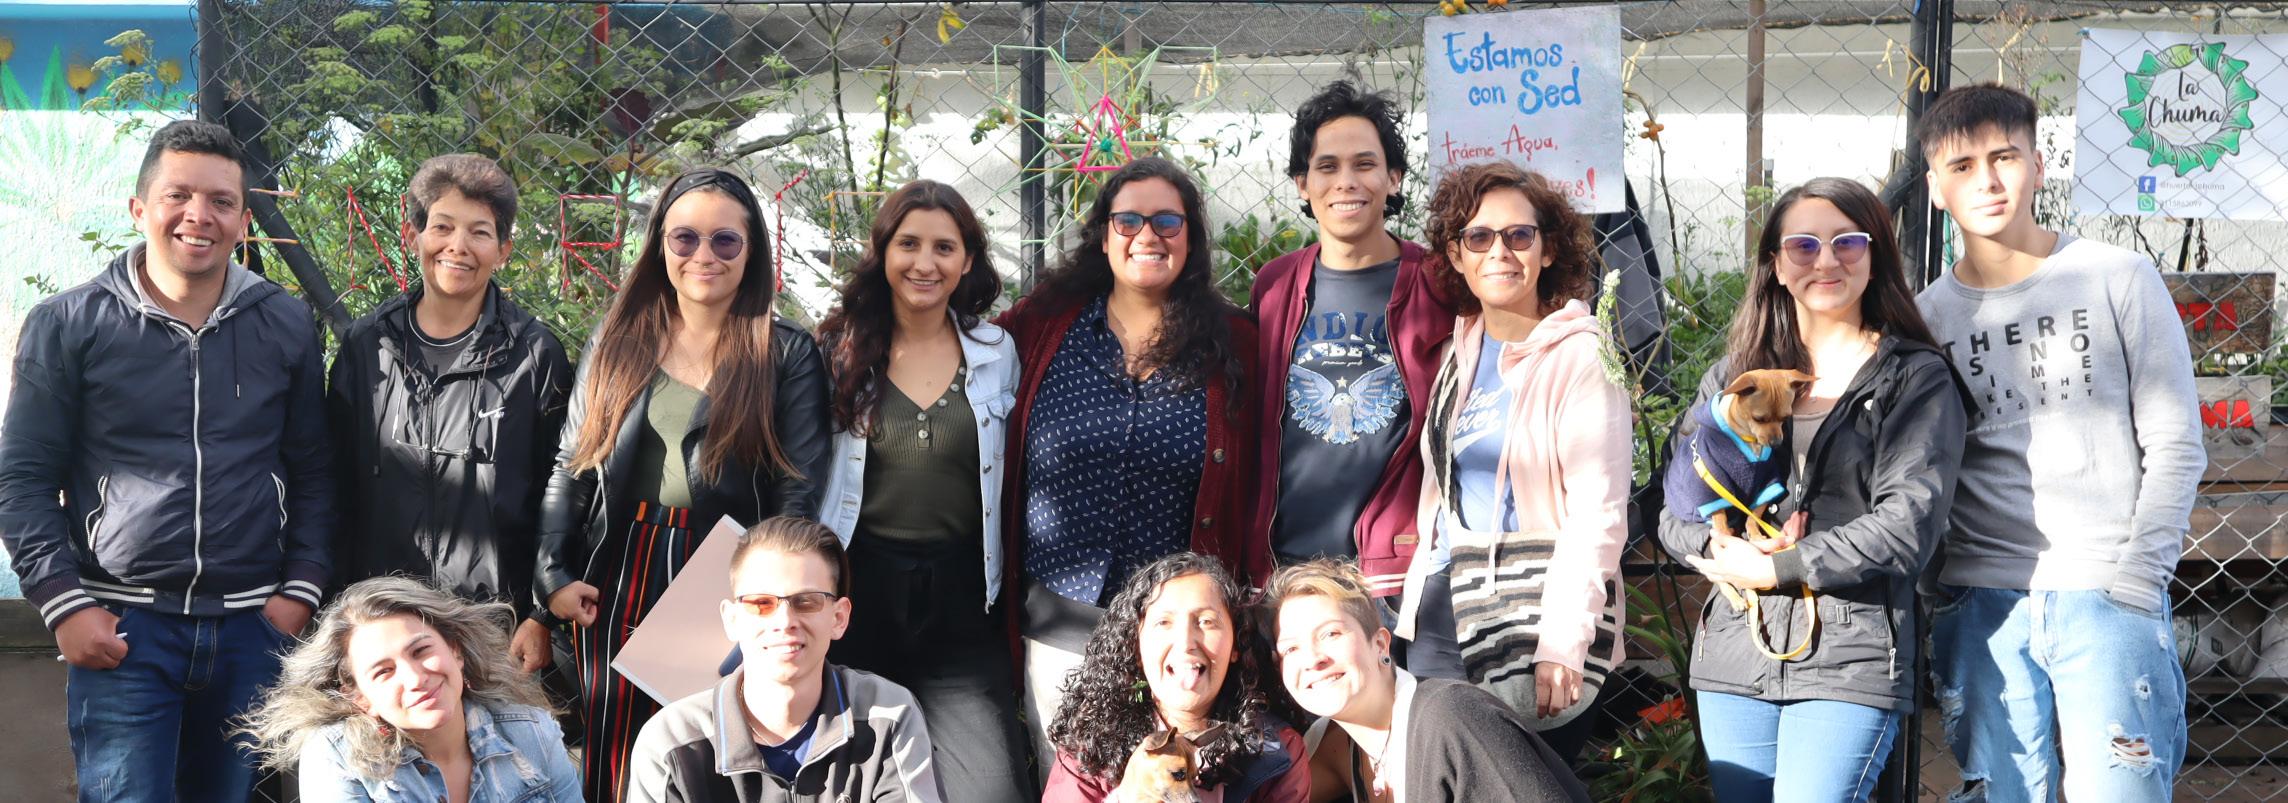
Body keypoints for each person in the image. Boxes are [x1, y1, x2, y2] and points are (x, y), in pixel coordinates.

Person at [0, 119, 335, 802]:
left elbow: (314, 468)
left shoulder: (285, 322)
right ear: (138, 208)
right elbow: (22, 477)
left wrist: (299, 590)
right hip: (124, 627)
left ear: (243, 221)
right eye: (178, 195)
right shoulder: (69, 324)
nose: (198, 215)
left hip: (252, 628)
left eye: (220, 201)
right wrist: (63, 602)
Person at [1915, 83, 2200, 801]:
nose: (1987, 180)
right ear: (1935, 188)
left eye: (2004, 157)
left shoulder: (2117, 277)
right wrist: (1940, 584)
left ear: (2038, 166)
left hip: (2106, 592)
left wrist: (2139, 578)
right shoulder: (1926, 317)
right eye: (1962, 166)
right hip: (1981, 603)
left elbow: (2175, 441)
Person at [1654, 178, 1967, 802]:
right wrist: (1724, 552)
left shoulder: (1912, 379)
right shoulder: (1733, 380)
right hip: (1736, 650)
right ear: (1776, 264)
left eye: (1847, 242)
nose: (1826, 261)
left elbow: (1907, 526)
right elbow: (1673, 511)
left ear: (1875, 256)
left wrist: (1782, 566)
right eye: (1803, 245)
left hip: (1851, 651)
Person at [536, 168, 833, 802]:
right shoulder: (618, 338)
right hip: (621, 564)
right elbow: (574, 463)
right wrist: (552, 575)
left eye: (725, 240)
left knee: (710, 753)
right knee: (616, 752)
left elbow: (797, 492)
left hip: (725, 569)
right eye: (685, 238)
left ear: (750, 251)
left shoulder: (784, 353)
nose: (704, 255)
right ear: (660, 246)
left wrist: (766, 595)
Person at [995, 157, 1263, 763]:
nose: (1148, 235)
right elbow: (951, 341)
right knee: (1069, 785)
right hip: (1059, 624)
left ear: (1190, 238)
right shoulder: (1043, 327)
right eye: (1129, 221)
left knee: (1173, 783)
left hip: (1176, 635)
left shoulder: (1235, 343)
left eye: (1168, 221)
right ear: (1103, 234)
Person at [1391, 162, 1630, 764]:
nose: (1500, 251)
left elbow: (1598, 515)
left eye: (1519, 235)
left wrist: (1563, 642)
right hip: (1446, 607)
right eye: (1479, 237)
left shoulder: (1581, 358)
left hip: (1536, 616)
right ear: (1457, 254)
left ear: (1547, 250)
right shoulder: (1462, 347)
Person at [812, 179, 1032, 801]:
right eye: (908, 244)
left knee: (991, 788)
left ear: (967, 260)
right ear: (882, 252)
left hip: (961, 601)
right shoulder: (837, 349)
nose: (925, 263)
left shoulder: (995, 352)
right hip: (860, 592)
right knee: (847, 781)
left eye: (944, 247)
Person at [326, 153, 573, 672]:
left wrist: (539, 614)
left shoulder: (533, 355)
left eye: (479, 232)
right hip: (382, 620)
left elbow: (560, 489)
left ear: (503, 249)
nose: (458, 246)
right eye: (442, 226)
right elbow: (333, 484)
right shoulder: (367, 347)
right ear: (413, 234)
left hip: (493, 626)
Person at [1247, 81, 1458, 677]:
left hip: (1395, 573)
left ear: (1393, 178)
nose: (1346, 181)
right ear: (1302, 184)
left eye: (1365, 164)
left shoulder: (1437, 282)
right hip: (1289, 569)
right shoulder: (1275, 285)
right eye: (1327, 166)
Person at [628, 517, 942, 802]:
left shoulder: (888, 715)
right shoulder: (671, 743)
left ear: (839, 618)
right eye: (761, 603)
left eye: (806, 601)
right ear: (732, 619)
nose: (785, 621)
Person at [1269, 559, 1587, 803]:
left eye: (1331, 634)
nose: (1312, 659)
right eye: (1291, 648)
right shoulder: (1339, 746)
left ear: (1380, 644)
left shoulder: (1452, 717)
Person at [243, 576, 581, 801]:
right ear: (359, 696)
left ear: (456, 651)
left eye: (420, 651)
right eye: (384, 671)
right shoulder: (337, 756)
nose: (415, 678)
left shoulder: (533, 732)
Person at [1042, 552, 1310, 803]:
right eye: (1163, 623)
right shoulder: (1091, 745)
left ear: (1236, 645)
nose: (1185, 642)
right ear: (1135, 648)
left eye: (1206, 621)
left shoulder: (1278, 750)